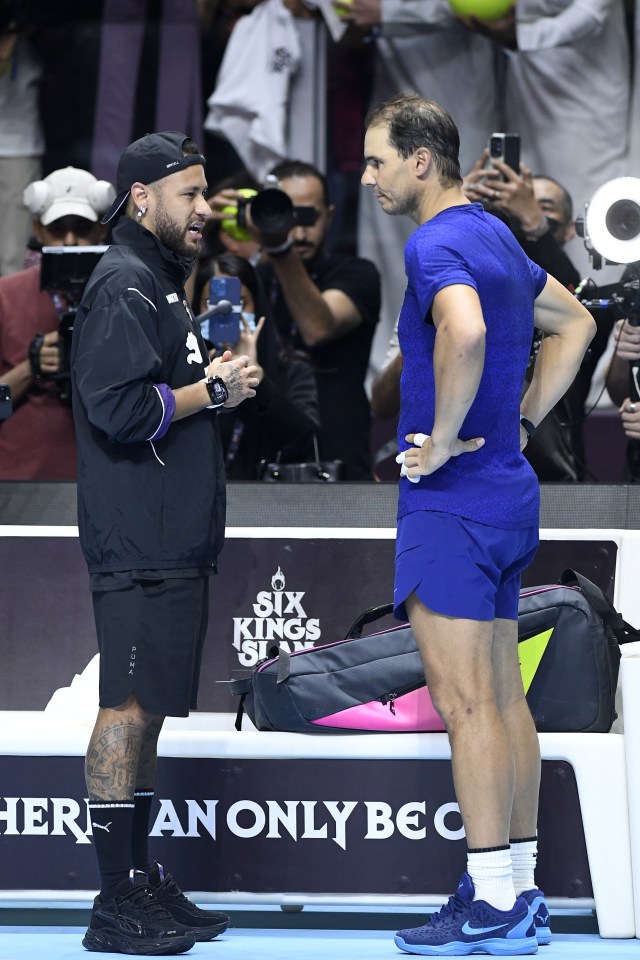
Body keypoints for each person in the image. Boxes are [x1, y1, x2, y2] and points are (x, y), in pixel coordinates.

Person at [361, 93, 595, 955]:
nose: (371, 175)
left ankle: (494, 900)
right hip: (508, 494)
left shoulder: (434, 243)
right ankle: (518, 891)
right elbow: (574, 323)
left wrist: (449, 436)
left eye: (379, 159)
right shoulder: (497, 234)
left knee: (466, 708)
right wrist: (521, 422)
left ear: (422, 160)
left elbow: (460, 333)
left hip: (451, 500)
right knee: (502, 701)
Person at [70, 131, 260, 955]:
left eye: (205, 192)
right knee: (127, 708)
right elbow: (116, 409)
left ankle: (138, 879)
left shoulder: (158, 283)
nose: (204, 208)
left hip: (168, 535)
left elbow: (167, 398)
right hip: (137, 535)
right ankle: (115, 899)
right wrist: (209, 389)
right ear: (141, 198)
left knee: (147, 717)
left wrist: (221, 382)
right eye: (189, 194)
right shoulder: (123, 283)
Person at [247, 158, 381, 479]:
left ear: (329, 216)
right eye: (287, 215)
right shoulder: (257, 278)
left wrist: (279, 246)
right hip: (265, 451)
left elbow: (318, 327)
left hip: (339, 454)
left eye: (308, 216)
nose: (300, 230)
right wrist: (203, 235)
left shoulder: (357, 273)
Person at [0, 165, 114, 480]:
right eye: (57, 228)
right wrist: (30, 367)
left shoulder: (125, 295)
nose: (70, 239)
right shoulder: (5, 296)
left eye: (82, 227)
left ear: (101, 230)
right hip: (21, 481)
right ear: (38, 230)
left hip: (105, 476)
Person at [193, 251, 320, 478]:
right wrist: (210, 382)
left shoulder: (291, 365)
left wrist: (258, 380)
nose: (227, 312)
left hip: (269, 502)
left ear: (257, 305)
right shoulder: (186, 368)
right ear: (198, 308)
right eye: (211, 303)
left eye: (240, 302)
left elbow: (304, 439)